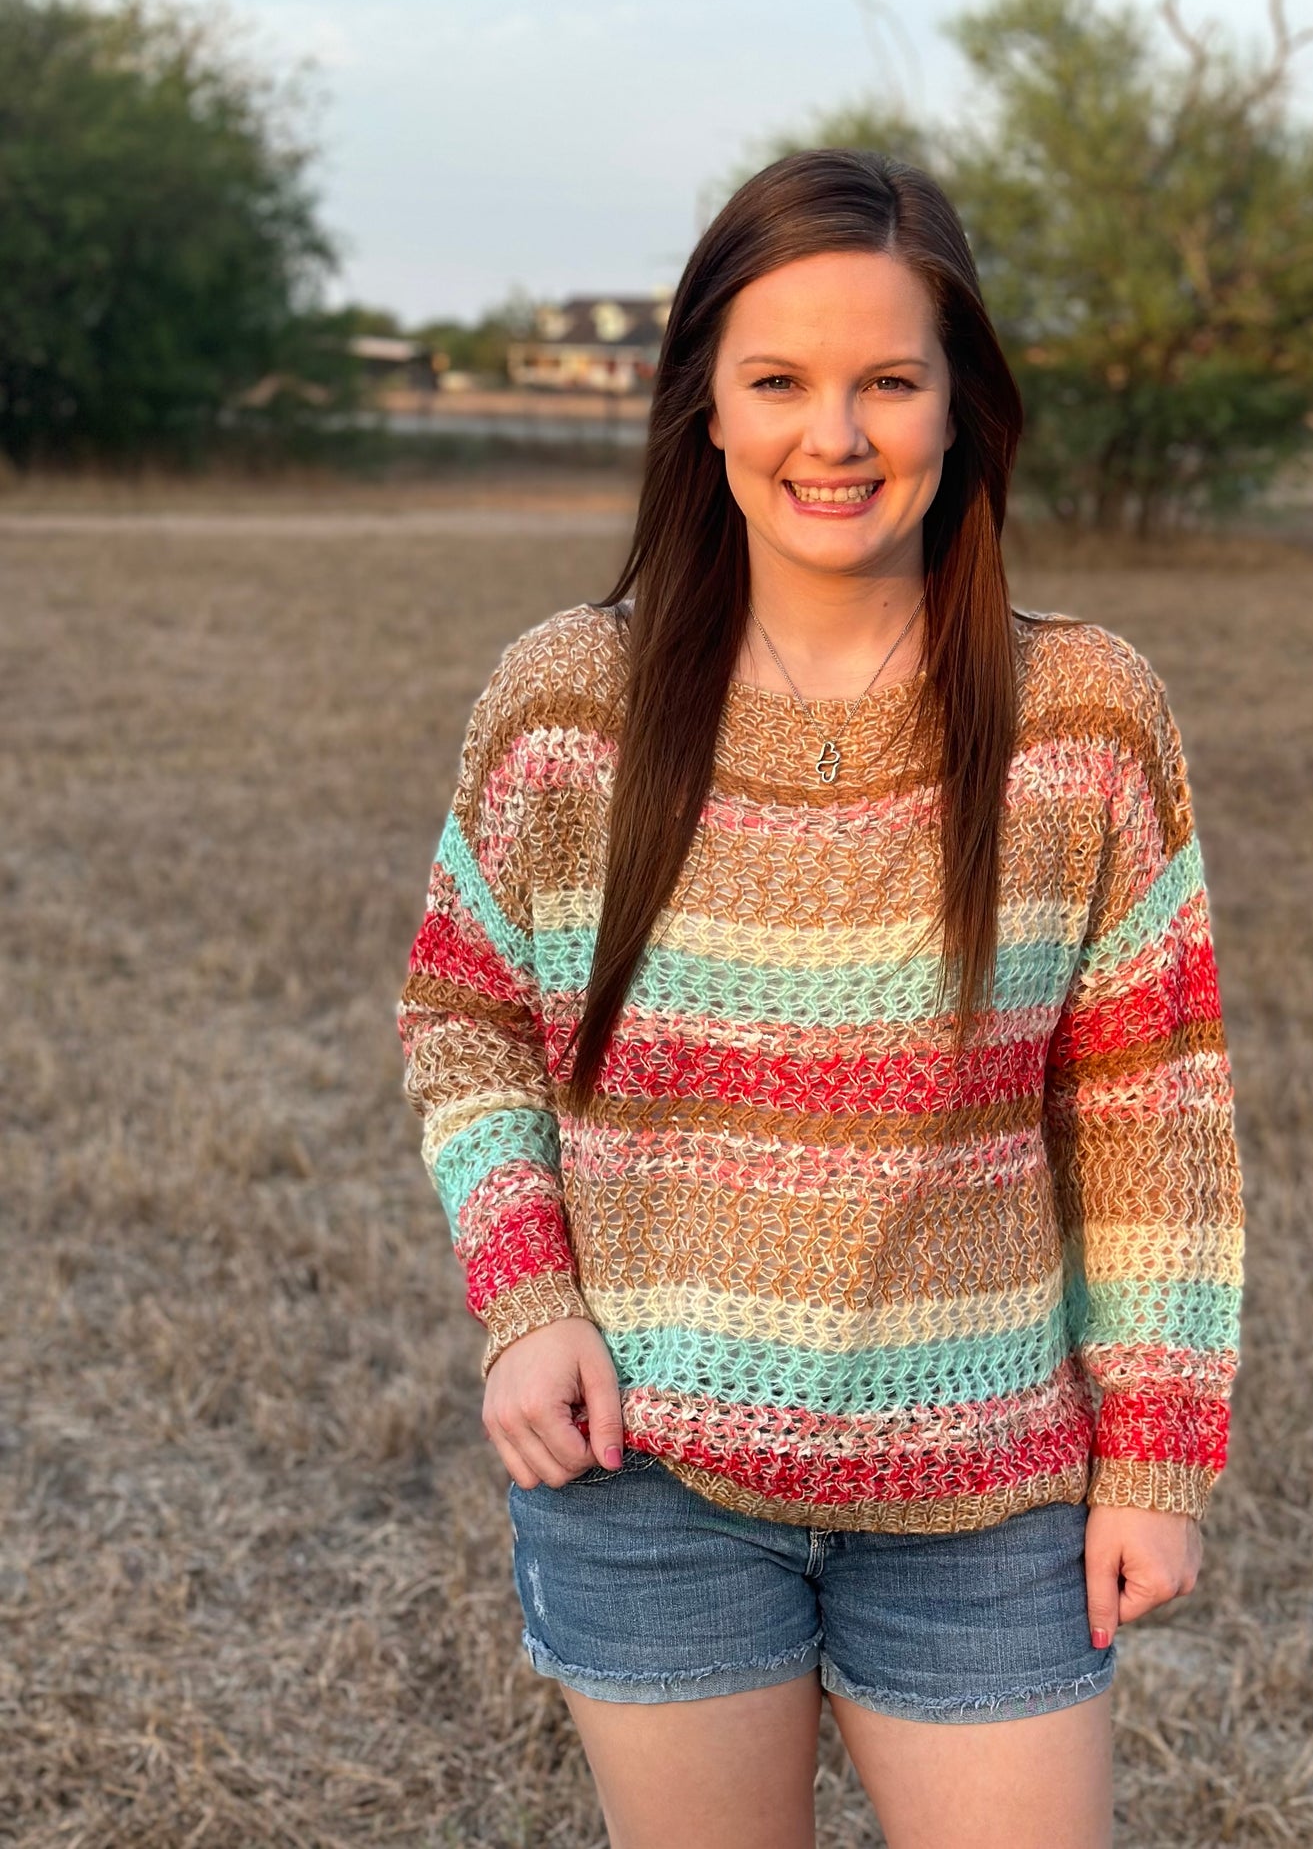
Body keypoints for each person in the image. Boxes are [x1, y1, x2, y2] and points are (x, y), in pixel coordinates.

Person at [397, 148, 1245, 1849]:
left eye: (887, 381)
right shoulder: (571, 697)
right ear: (701, 406)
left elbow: (1152, 1115)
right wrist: (525, 1295)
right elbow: (463, 1013)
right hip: (646, 1484)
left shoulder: (1080, 710)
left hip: (990, 1492)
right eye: (777, 380)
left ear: (961, 404)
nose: (832, 435)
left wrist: (1151, 1454)